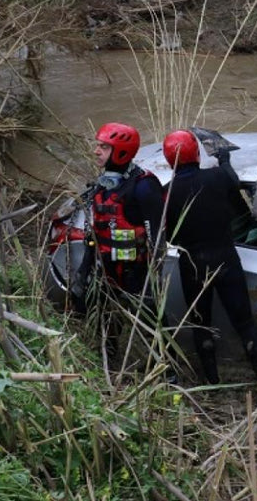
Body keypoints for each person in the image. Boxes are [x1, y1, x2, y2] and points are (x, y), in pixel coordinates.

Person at [162, 129, 257, 385]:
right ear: (198, 154)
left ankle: (212, 383)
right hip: (225, 257)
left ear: (168, 161)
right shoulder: (218, 177)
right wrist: (223, 158)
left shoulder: (166, 192)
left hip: (193, 265)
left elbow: (168, 237)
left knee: (201, 326)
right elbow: (234, 187)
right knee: (244, 323)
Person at [73, 122, 165, 357]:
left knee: (151, 324)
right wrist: (83, 272)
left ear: (121, 152)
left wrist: (154, 278)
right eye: (98, 146)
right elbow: (93, 232)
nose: (96, 151)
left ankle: (165, 372)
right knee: (107, 321)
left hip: (137, 272)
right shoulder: (104, 186)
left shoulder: (144, 186)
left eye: (103, 147)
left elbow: (158, 236)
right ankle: (109, 364)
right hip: (107, 270)